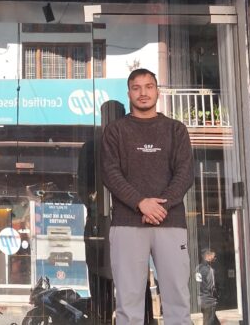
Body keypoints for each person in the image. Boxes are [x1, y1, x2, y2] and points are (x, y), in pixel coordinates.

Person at [101, 68, 194, 325]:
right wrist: (141, 203)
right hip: (127, 224)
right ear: (129, 93)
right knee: (128, 304)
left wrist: (160, 206)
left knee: (178, 301)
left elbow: (185, 173)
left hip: (170, 223)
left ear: (157, 91)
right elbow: (110, 173)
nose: (143, 93)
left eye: (149, 86)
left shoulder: (176, 130)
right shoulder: (115, 131)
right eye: (136, 88)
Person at [196, 248, 220, 325]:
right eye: (213, 256)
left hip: (201, 300)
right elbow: (211, 287)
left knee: (214, 322)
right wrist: (216, 297)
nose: (215, 258)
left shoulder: (198, 268)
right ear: (207, 256)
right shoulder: (210, 270)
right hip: (209, 301)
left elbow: (198, 283)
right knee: (208, 322)